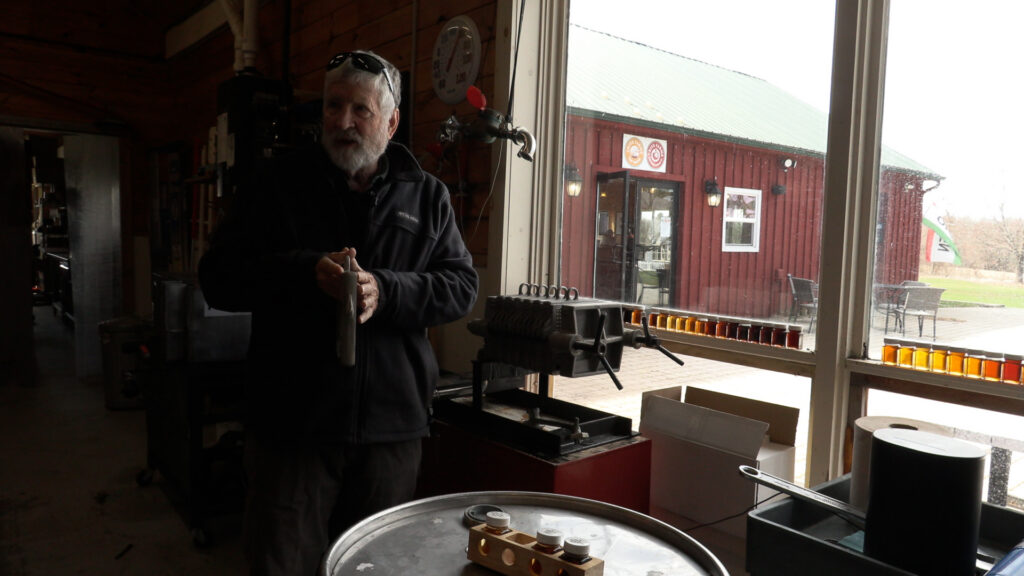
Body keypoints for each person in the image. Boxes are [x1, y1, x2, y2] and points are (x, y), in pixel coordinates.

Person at [198, 49, 478, 575]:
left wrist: (387, 292)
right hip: (291, 429)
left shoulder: (427, 196)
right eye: (332, 106)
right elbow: (219, 278)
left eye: (361, 110)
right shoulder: (274, 186)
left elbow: (460, 286)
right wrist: (305, 272)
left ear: (391, 122)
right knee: (281, 562)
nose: (342, 122)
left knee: (379, 566)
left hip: (390, 433)